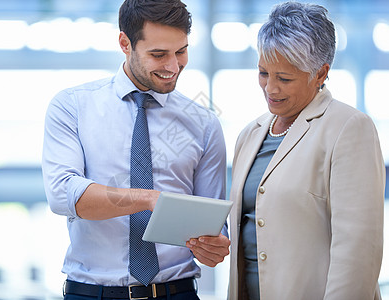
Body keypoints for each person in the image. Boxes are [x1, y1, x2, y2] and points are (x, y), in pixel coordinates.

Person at [42, 0, 230, 299]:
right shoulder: (73, 107)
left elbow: (212, 219)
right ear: (124, 43)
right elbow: (65, 195)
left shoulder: (203, 122)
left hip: (176, 292)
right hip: (92, 293)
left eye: (181, 51)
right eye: (158, 54)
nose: (172, 66)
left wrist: (215, 244)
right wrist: (148, 199)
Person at [228, 2, 385, 300]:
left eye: (284, 78)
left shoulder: (349, 128)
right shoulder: (249, 134)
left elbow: (358, 250)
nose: (270, 88)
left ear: (320, 73)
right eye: (263, 73)